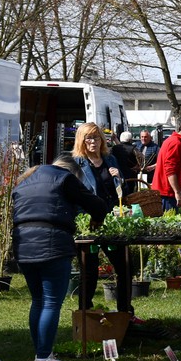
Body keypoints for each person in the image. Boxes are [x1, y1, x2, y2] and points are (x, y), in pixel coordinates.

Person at [13, 156, 109, 361]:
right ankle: (44, 357)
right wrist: (96, 219)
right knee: (50, 302)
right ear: (72, 171)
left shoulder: (25, 180)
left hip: (23, 244)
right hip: (52, 242)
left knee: (38, 300)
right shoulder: (65, 178)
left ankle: (41, 352)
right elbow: (97, 204)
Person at [71, 122, 133, 317]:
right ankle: (85, 313)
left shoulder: (110, 159)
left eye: (96, 137)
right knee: (89, 272)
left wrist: (119, 179)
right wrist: (85, 217)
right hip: (90, 224)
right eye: (88, 138)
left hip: (112, 222)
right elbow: (72, 195)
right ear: (81, 140)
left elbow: (124, 194)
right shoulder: (76, 164)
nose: (93, 142)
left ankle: (125, 311)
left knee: (124, 267)